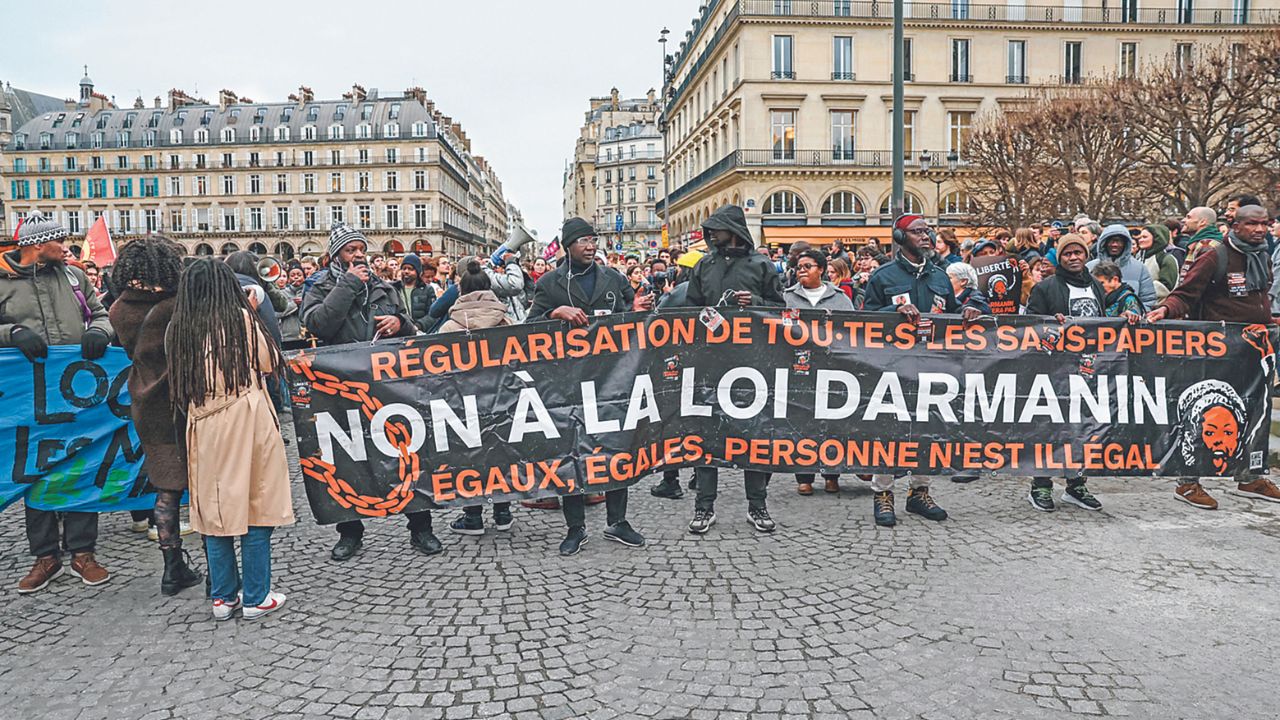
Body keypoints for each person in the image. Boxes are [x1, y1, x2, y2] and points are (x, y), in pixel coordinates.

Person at [302, 224, 440, 560]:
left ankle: (421, 527)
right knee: (346, 459)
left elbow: (409, 326)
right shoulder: (320, 286)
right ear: (337, 255)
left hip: (385, 386)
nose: (359, 255)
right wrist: (348, 285)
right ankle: (350, 532)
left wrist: (400, 324)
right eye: (351, 251)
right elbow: (317, 324)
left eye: (361, 249)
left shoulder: (383, 287)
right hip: (341, 389)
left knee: (406, 451)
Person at [168, 259, 293, 620]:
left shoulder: (180, 327)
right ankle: (256, 595)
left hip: (202, 423)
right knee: (256, 504)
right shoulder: (239, 320)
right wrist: (251, 313)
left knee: (213, 509)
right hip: (245, 416)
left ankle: (223, 597)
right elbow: (268, 362)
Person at [1, 213, 114, 593]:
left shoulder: (74, 277)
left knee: (80, 464)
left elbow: (101, 315)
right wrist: (11, 333)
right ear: (37, 245)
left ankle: (84, 552)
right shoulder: (1, 282)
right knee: (35, 470)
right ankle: (45, 555)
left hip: (73, 394)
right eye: (59, 241)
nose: (66, 247)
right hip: (25, 399)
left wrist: (99, 331)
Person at [526, 217, 649, 556]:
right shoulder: (550, 283)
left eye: (593, 240)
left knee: (618, 447)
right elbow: (527, 327)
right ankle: (575, 527)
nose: (590, 245)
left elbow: (631, 316)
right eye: (582, 241)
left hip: (613, 378)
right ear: (568, 245)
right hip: (568, 382)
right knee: (572, 452)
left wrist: (638, 309)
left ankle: (618, 521)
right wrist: (555, 313)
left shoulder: (614, 278)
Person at [1147, 204, 1280, 509]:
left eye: (1265, 223)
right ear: (1234, 225)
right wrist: (1166, 309)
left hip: (1253, 351)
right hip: (1216, 352)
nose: (1260, 229)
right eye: (1252, 224)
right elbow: (1185, 293)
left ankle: (1250, 476)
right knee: (1206, 417)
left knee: (1254, 413)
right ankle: (1187, 483)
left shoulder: (1261, 256)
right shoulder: (1215, 256)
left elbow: (1258, 300)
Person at [863, 215, 976, 527]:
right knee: (890, 430)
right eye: (917, 232)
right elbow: (864, 320)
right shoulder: (883, 277)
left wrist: (966, 309)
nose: (925, 236)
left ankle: (919, 492)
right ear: (900, 237)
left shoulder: (940, 277)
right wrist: (892, 312)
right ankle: (883, 493)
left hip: (933, 366)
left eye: (928, 232)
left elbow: (951, 312)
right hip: (892, 368)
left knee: (928, 428)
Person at [679, 204, 785, 535]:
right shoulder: (703, 265)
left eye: (716, 229)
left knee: (753, 435)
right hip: (709, 362)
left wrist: (755, 303)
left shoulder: (761, 265)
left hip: (753, 363)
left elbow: (780, 309)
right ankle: (703, 506)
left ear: (733, 230)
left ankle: (758, 505)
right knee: (707, 436)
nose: (710, 235)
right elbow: (690, 310)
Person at [108, 237, 203, 597]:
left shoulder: (118, 310)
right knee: (201, 485)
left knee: (165, 487)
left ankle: (172, 568)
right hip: (182, 398)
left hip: (146, 401)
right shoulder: (178, 306)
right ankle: (218, 568)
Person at [1023, 233, 1107, 512]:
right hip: (1055, 369)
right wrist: (1050, 323)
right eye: (1067, 253)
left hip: (1089, 369)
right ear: (1060, 258)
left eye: (1078, 253)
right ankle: (1041, 485)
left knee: (1083, 428)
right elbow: (1031, 327)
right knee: (1049, 426)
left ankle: (1076, 484)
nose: (1073, 257)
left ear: (1086, 256)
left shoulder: (1096, 285)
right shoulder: (1046, 288)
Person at [439, 260, 517, 536]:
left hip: (463, 402)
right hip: (501, 399)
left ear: (460, 289)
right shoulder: (506, 321)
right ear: (489, 288)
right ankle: (503, 511)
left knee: (468, 457)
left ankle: (473, 516)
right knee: (501, 453)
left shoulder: (450, 327)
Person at [784, 248, 853, 496]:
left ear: (821, 269)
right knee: (802, 421)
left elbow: (851, 331)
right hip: (798, 368)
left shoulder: (840, 298)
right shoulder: (787, 297)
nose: (801, 270)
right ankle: (804, 475)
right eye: (798, 267)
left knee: (832, 422)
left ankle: (831, 474)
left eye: (807, 266)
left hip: (832, 367)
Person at [1085, 225, 1156, 311]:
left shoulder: (1140, 268)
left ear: (1126, 244)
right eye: (1111, 241)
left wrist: (1136, 313)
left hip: (1130, 322)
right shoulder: (1089, 267)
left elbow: (1148, 299)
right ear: (1104, 243)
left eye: (1119, 241)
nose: (1114, 244)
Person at [1135, 224, 1179, 301]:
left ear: (1157, 238)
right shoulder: (1139, 258)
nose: (1140, 240)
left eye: (1145, 237)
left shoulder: (1167, 259)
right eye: (1140, 237)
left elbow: (1167, 286)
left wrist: (1140, 290)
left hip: (1159, 308)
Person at [394, 253, 435, 331]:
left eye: (410, 269)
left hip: (419, 333)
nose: (406, 271)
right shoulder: (394, 288)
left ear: (418, 271)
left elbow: (432, 315)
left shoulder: (427, 290)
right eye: (404, 268)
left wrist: (418, 326)